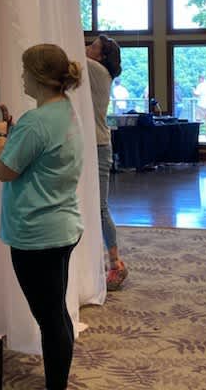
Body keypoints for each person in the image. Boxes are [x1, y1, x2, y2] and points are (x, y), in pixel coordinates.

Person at [0, 43, 84, 390]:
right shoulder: (64, 110)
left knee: (50, 318)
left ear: (39, 77)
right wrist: (13, 132)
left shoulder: (36, 122)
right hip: (62, 227)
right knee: (56, 311)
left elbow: (5, 170)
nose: (21, 76)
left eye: (25, 70)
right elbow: (37, 152)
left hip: (37, 235)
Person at [85, 34, 128, 291]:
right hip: (93, 144)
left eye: (92, 46)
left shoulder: (95, 69)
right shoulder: (96, 70)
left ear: (101, 56)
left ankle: (116, 264)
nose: (86, 47)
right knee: (92, 206)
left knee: (100, 207)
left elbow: (69, 52)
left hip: (99, 147)